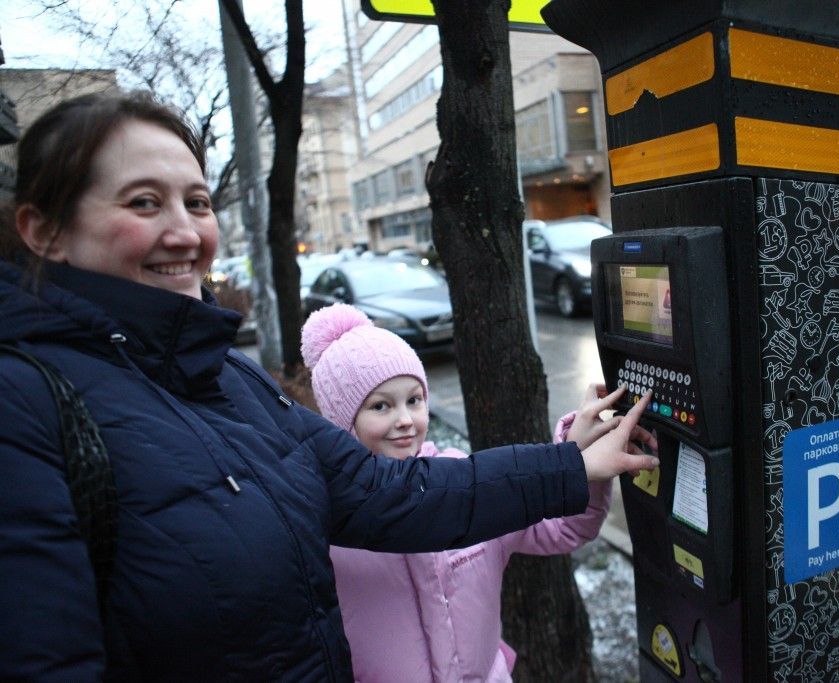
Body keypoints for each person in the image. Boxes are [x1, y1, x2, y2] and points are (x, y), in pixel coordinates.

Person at [0, 92, 658, 680]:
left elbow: (394, 493)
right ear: (44, 231)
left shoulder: (228, 378)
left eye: (196, 202)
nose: (185, 231)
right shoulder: (23, 403)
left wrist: (572, 462)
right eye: (144, 201)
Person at [301, 304, 643, 682]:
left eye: (414, 400)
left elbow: (565, 529)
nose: (405, 420)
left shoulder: (467, 485)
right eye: (381, 406)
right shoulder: (327, 522)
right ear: (342, 423)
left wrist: (580, 462)